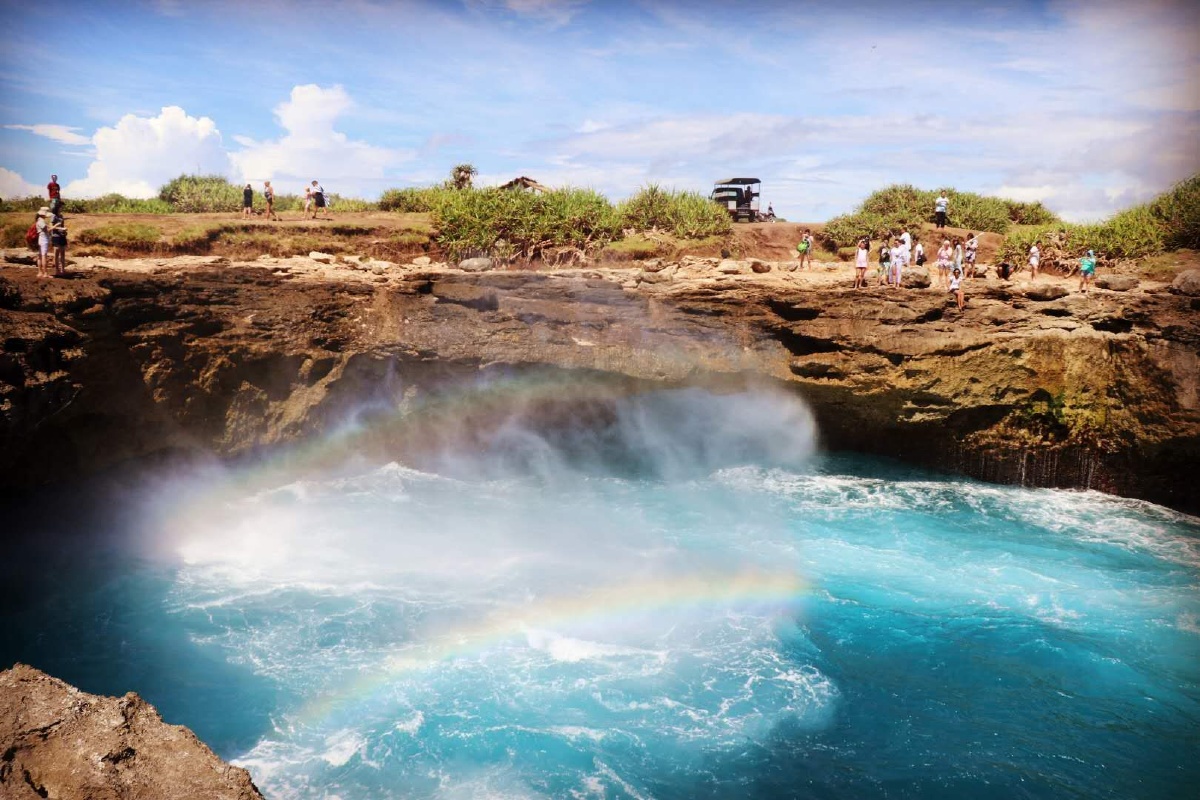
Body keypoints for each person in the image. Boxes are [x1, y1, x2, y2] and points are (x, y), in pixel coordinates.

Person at [49, 210, 67, 276]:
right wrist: (60, 228)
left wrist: (64, 231)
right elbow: (51, 227)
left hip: (62, 236)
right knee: (56, 254)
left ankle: (63, 270)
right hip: (56, 236)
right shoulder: (53, 216)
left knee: (63, 253)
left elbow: (62, 225)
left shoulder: (61, 215)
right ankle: (57, 270)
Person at [34, 207, 51, 278]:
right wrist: (55, 226)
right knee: (44, 256)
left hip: (40, 239)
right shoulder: (41, 221)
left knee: (40, 256)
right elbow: (47, 230)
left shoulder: (39, 221)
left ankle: (40, 272)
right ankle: (45, 273)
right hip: (44, 240)